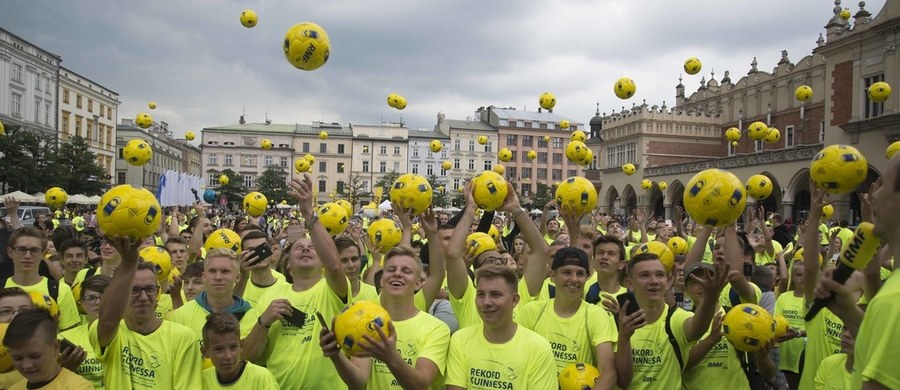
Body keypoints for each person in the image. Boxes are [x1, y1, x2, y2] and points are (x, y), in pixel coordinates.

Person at [241, 174, 349, 389]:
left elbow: (336, 266)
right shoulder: (269, 298)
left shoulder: (332, 290)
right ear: (287, 265)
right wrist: (264, 322)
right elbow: (247, 357)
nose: (306, 249)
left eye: (312, 248)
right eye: (299, 247)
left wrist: (308, 212)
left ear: (323, 264)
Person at [320, 246, 450, 389]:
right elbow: (358, 381)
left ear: (418, 283)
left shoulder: (436, 328)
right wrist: (336, 356)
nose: (397, 274)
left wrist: (390, 357)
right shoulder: (365, 320)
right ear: (382, 280)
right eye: (391, 270)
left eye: (406, 271)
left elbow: (420, 385)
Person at [90, 237, 202, 389]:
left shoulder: (183, 337)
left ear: (158, 294)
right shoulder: (111, 334)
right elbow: (107, 321)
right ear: (122, 295)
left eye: (149, 289)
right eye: (134, 290)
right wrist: (129, 262)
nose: (143, 297)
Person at [614, 253, 730, 389]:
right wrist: (624, 338)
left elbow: (697, 329)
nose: (654, 281)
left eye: (660, 275)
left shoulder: (676, 318)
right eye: (645, 275)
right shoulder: (616, 322)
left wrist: (709, 299)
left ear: (667, 281)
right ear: (630, 283)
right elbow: (623, 382)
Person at [517, 246, 618, 389]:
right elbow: (517, 359)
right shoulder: (533, 311)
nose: (574, 279)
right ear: (552, 276)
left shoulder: (597, 315)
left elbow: (609, 373)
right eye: (566, 272)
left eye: (580, 274)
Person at [445, 265, 556, 389]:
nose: (486, 302)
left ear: (515, 300)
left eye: (495, 295)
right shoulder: (460, 340)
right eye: (481, 294)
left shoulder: (539, 348)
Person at [167, 248, 255, 352]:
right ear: (204, 276)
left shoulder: (252, 318)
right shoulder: (180, 315)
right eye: (212, 271)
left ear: (238, 277)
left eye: (225, 271)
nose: (218, 277)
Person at [4, 227, 80, 331]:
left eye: (34, 250)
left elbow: (70, 337)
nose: (27, 256)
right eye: (21, 250)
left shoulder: (60, 291)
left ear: (43, 254)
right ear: (10, 252)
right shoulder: (2, 288)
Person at [3, 309, 92, 389]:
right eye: (17, 358)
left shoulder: (77, 387)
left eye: (35, 356)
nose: (27, 365)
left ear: (56, 347)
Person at [201, 312, 278, 389]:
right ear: (205, 352)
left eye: (233, 347)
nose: (228, 356)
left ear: (241, 345)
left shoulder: (262, 377)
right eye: (219, 349)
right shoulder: (202, 380)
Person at [61, 275, 111, 388]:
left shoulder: (131, 335)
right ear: (82, 303)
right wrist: (66, 369)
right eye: (91, 298)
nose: (98, 303)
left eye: (104, 297)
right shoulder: (66, 338)